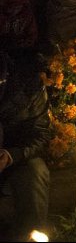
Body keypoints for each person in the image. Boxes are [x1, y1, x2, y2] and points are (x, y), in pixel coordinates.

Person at [0, 48, 51, 240]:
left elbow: (41, 133)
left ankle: (31, 236)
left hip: (17, 155)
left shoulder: (28, 85)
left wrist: (11, 156)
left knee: (36, 172)